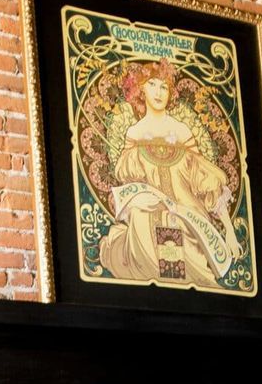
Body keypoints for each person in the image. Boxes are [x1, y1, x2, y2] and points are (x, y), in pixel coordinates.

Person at [95, 59, 244, 289]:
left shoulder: (182, 132)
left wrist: (230, 233)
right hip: (146, 220)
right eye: (152, 84)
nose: (158, 91)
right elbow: (128, 179)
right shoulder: (134, 133)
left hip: (188, 219)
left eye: (164, 86)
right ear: (140, 89)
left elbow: (207, 181)